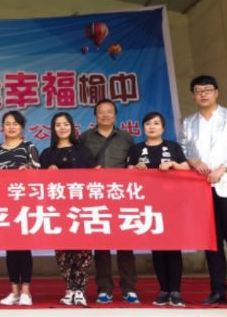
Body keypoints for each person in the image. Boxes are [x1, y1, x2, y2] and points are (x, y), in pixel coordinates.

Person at [78, 99, 138, 304]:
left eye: (109, 112)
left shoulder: (126, 138)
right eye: (101, 112)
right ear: (95, 115)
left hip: (121, 197)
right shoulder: (85, 138)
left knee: (125, 245)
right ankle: (104, 289)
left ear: (115, 115)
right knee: (101, 246)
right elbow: (78, 164)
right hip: (95, 197)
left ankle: (129, 288)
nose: (105, 115)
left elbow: (133, 164)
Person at [179, 75, 227, 305]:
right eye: (198, 91)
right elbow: (182, 149)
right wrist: (191, 160)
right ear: (193, 95)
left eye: (208, 89)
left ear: (216, 92)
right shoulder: (188, 122)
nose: (203, 94)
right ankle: (218, 290)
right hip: (201, 188)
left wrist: (224, 167)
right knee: (212, 241)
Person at [127, 112, 189, 307]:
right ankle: (163, 290)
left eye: (156, 123)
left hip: (172, 205)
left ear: (163, 127)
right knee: (158, 248)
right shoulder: (137, 149)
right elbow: (127, 171)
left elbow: (186, 168)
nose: (152, 127)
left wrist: (173, 164)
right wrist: (136, 168)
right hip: (149, 205)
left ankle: (175, 291)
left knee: (173, 247)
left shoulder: (173, 147)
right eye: (148, 124)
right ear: (143, 128)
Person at [39, 112, 95, 306]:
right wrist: (47, 173)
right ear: (53, 129)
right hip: (58, 209)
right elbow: (38, 183)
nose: (62, 128)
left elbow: (96, 175)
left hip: (82, 208)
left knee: (83, 249)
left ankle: (80, 290)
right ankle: (69, 288)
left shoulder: (83, 151)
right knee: (63, 251)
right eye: (58, 124)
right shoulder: (47, 154)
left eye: (65, 124)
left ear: (72, 127)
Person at [0, 111, 40, 306]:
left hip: (24, 204)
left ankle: (26, 290)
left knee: (24, 248)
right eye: (7, 123)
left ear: (21, 127)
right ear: (2, 127)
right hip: (4, 204)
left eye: (15, 123)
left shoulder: (29, 147)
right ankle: (14, 291)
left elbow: (38, 173)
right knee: (10, 249)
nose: (11, 127)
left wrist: (28, 171)